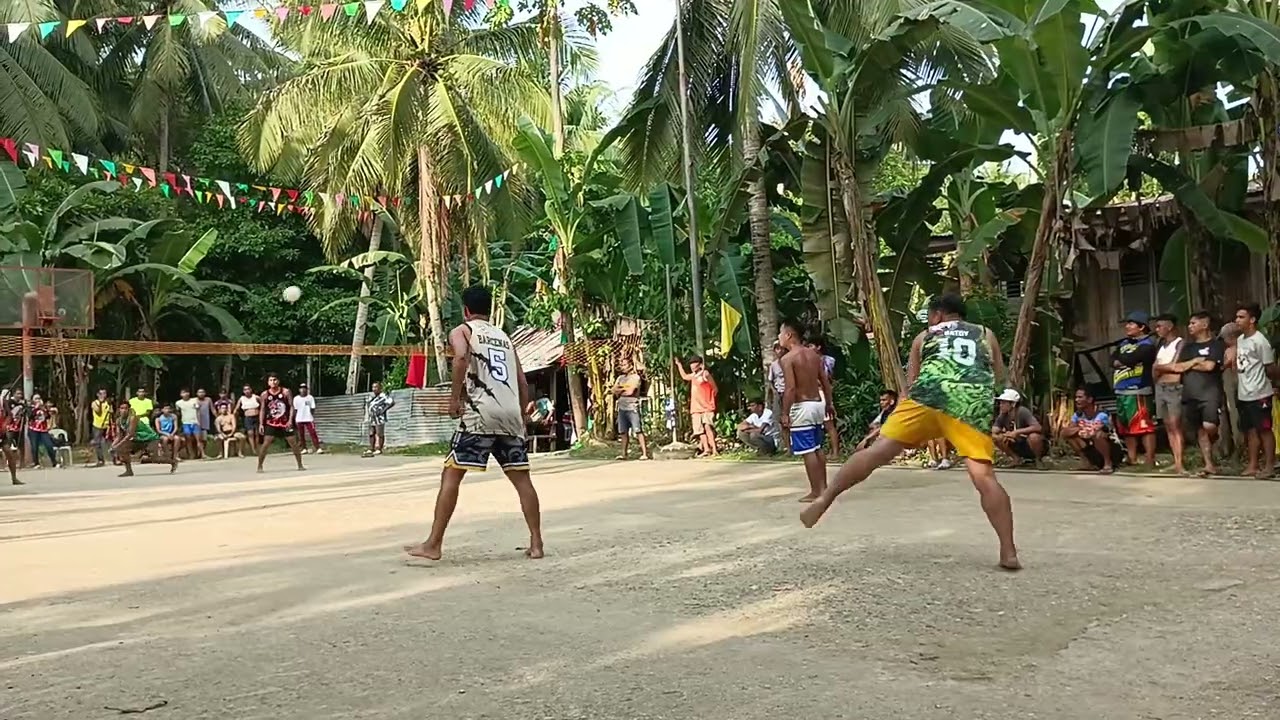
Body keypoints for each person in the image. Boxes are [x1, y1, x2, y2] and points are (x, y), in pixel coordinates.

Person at [800, 294, 1020, 571]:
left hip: (928, 395)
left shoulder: (924, 336)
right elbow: (997, 374)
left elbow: (910, 386)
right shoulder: (985, 334)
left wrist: (910, 431)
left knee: (877, 451)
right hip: (969, 400)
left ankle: (825, 498)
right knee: (984, 477)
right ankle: (1008, 551)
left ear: (938, 315)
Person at [405, 285, 543, 561]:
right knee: (522, 479)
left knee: (451, 474)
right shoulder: (505, 337)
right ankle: (537, 544)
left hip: (480, 413)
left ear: (466, 310)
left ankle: (433, 544)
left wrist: (454, 399)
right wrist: (522, 417)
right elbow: (522, 380)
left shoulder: (463, 331)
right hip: (510, 415)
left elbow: (460, 358)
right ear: (489, 309)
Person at [778, 321, 834, 501]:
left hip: (802, 406)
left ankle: (816, 491)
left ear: (788, 335)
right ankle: (823, 487)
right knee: (817, 447)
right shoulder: (814, 355)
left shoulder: (788, 359)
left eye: (780, 334)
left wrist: (785, 412)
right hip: (818, 402)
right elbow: (825, 381)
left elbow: (790, 389)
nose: (779, 338)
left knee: (808, 450)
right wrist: (829, 403)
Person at [1174, 311, 1226, 476]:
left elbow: (1210, 366)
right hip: (1190, 393)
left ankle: (1216, 438)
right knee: (1199, 430)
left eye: (1193, 323)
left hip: (1209, 391)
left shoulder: (1216, 345)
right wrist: (1196, 361)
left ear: (1205, 325)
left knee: (1209, 426)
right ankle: (1208, 464)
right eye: (1189, 323)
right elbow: (1178, 367)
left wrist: (1189, 364)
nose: (1190, 326)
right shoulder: (1189, 347)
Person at [1232, 303, 1276, 478]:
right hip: (1244, 392)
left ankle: (1270, 465)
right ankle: (1253, 464)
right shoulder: (1241, 339)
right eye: (1236, 317)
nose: (1237, 320)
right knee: (1249, 429)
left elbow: (1270, 367)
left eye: (1241, 317)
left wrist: (1275, 383)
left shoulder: (1260, 341)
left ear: (1252, 320)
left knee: (1264, 429)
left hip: (1260, 393)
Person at [1112, 310, 1158, 469]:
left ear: (1141, 327)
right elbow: (1113, 359)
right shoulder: (1124, 343)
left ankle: (1149, 459)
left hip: (1139, 389)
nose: (1127, 326)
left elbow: (1131, 359)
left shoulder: (1147, 345)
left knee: (1145, 426)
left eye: (1131, 323)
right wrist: (1121, 360)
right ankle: (1131, 457)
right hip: (1121, 389)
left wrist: (1122, 360)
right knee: (1126, 426)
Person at [1151, 313, 1186, 474]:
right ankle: (1175, 459)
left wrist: (1159, 368)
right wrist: (1159, 369)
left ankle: (1180, 462)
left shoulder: (1180, 343)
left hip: (1173, 387)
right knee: (1167, 426)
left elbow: (1175, 366)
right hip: (1160, 386)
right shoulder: (1160, 344)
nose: (1157, 329)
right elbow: (1155, 367)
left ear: (1170, 326)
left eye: (1160, 326)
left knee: (1175, 424)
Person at [1061, 387, 1122, 474]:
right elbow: (1065, 432)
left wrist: (1080, 428)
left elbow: (1094, 431)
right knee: (1070, 436)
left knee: (1098, 435)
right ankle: (1087, 463)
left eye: (1080, 397)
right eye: (1076, 397)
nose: (1076, 400)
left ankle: (1108, 463)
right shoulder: (1078, 414)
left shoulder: (1102, 414)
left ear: (1089, 399)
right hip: (1091, 448)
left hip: (1111, 449)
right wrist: (1079, 428)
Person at [112, 400, 176, 476]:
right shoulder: (119, 421)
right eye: (122, 408)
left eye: (126, 408)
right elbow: (119, 436)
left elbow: (130, 435)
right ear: (119, 409)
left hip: (150, 438)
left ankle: (173, 462)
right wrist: (113, 446)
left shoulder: (133, 418)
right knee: (123, 449)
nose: (124, 410)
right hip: (138, 439)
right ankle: (129, 471)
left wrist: (117, 446)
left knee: (155, 458)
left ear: (129, 409)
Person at [257, 373, 305, 473]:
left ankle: (300, 464)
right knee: (265, 444)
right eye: (270, 380)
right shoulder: (265, 394)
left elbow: (291, 406)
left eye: (275, 380)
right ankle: (259, 465)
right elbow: (262, 409)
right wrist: (261, 424)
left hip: (284, 422)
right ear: (268, 382)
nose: (273, 382)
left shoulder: (286, 392)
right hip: (271, 422)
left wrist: (290, 420)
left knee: (293, 443)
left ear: (278, 381)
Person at [674, 355, 718, 457]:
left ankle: (714, 449)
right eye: (691, 363)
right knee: (699, 430)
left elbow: (715, 388)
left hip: (707, 406)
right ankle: (706, 449)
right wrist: (679, 365)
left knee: (708, 427)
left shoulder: (705, 374)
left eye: (694, 363)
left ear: (700, 364)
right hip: (696, 407)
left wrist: (710, 399)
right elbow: (684, 376)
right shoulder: (693, 376)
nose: (692, 365)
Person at [992, 389, 1045, 465]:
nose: (1001, 405)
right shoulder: (1003, 415)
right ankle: (1016, 459)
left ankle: (1038, 460)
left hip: (1029, 444)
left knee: (1034, 437)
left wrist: (1017, 432)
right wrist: (1004, 435)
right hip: (1016, 444)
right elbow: (994, 429)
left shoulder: (1022, 411)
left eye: (1004, 403)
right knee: (997, 437)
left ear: (1013, 404)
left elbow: (1037, 427)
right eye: (1000, 403)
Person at [612, 358, 650, 460]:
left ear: (630, 366)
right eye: (621, 365)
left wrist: (621, 391)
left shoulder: (635, 377)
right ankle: (624, 454)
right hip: (622, 407)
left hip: (632, 407)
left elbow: (631, 392)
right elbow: (614, 390)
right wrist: (623, 390)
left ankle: (644, 453)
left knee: (638, 430)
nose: (623, 367)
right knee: (623, 432)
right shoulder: (620, 378)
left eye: (625, 365)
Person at [810, 337, 841, 457]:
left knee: (829, 424)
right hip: (812, 394)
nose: (809, 349)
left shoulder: (827, 360)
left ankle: (835, 452)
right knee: (815, 425)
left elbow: (827, 378)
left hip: (822, 393)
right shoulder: (809, 361)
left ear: (818, 347)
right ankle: (819, 451)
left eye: (811, 346)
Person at [767, 342, 790, 449]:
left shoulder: (790, 362)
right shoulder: (773, 365)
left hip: (790, 393)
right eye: (777, 349)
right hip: (779, 393)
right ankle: (788, 447)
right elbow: (770, 381)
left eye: (781, 349)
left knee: (793, 419)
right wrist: (775, 391)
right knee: (781, 420)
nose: (779, 351)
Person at [26, 394, 56, 469]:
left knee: (49, 445)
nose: (38, 400)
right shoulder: (30, 408)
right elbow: (30, 416)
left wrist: (44, 409)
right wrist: (36, 408)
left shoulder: (43, 408)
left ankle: (54, 462)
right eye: (36, 398)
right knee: (34, 446)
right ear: (33, 400)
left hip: (43, 429)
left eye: (39, 398)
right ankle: (36, 463)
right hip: (33, 429)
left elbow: (48, 416)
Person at [364, 382, 394, 457]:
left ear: (380, 388)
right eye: (373, 387)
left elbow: (391, 402)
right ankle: (371, 448)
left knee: (379, 433)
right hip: (372, 418)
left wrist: (383, 410)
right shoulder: (372, 397)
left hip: (379, 418)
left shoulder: (383, 396)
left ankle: (379, 449)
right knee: (371, 433)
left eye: (376, 387)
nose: (374, 389)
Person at [293, 383, 323, 454]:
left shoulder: (310, 398)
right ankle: (304, 448)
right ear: (299, 389)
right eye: (301, 388)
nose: (303, 390)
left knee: (313, 433)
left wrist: (309, 415)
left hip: (308, 418)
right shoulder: (296, 399)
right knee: (301, 434)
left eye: (304, 388)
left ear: (307, 389)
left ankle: (318, 447)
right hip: (299, 419)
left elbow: (312, 408)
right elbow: (295, 409)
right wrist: (295, 418)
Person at [2, 388, 24, 484]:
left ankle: (14, 478)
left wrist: (5, 424)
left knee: (9, 453)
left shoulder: (2, 402)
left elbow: (10, 415)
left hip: (1, 432)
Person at [176, 389, 203, 460]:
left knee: (198, 439)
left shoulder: (194, 400)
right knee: (188, 440)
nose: (185, 394)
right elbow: (178, 413)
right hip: (185, 423)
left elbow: (198, 411)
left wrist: (199, 421)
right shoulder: (178, 403)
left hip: (195, 422)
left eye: (186, 392)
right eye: (183, 393)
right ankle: (191, 455)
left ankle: (203, 454)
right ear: (181, 394)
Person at [89, 388, 112, 468]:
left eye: (104, 393)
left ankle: (115, 458)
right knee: (97, 443)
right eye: (101, 394)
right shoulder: (94, 403)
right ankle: (100, 460)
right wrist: (100, 403)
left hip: (106, 425)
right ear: (98, 395)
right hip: (98, 425)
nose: (103, 395)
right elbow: (98, 411)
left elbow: (110, 413)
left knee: (110, 442)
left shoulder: (108, 403)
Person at [236, 385, 261, 454]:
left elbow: (263, 404)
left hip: (256, 416)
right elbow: (237, 408)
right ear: (243, 391)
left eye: (248, 389)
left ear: (251, 390)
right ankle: (253, 450)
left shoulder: (255, 397)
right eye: (245, 390)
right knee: (250, 433)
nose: (247, 391)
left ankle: (257, 448)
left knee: (257, 433)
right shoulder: (242, 399)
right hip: (248, 417)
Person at [195, 388, 213, 455]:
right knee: (198, 439)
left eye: (202, 392)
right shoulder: (195, 400)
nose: (201, 393)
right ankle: (199, 453)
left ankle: (202, 452)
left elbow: (212, 409)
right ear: (197, 393)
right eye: (199, 392)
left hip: (205, 422)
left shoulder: (208, 400)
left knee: (204, 439)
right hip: (196, 422)